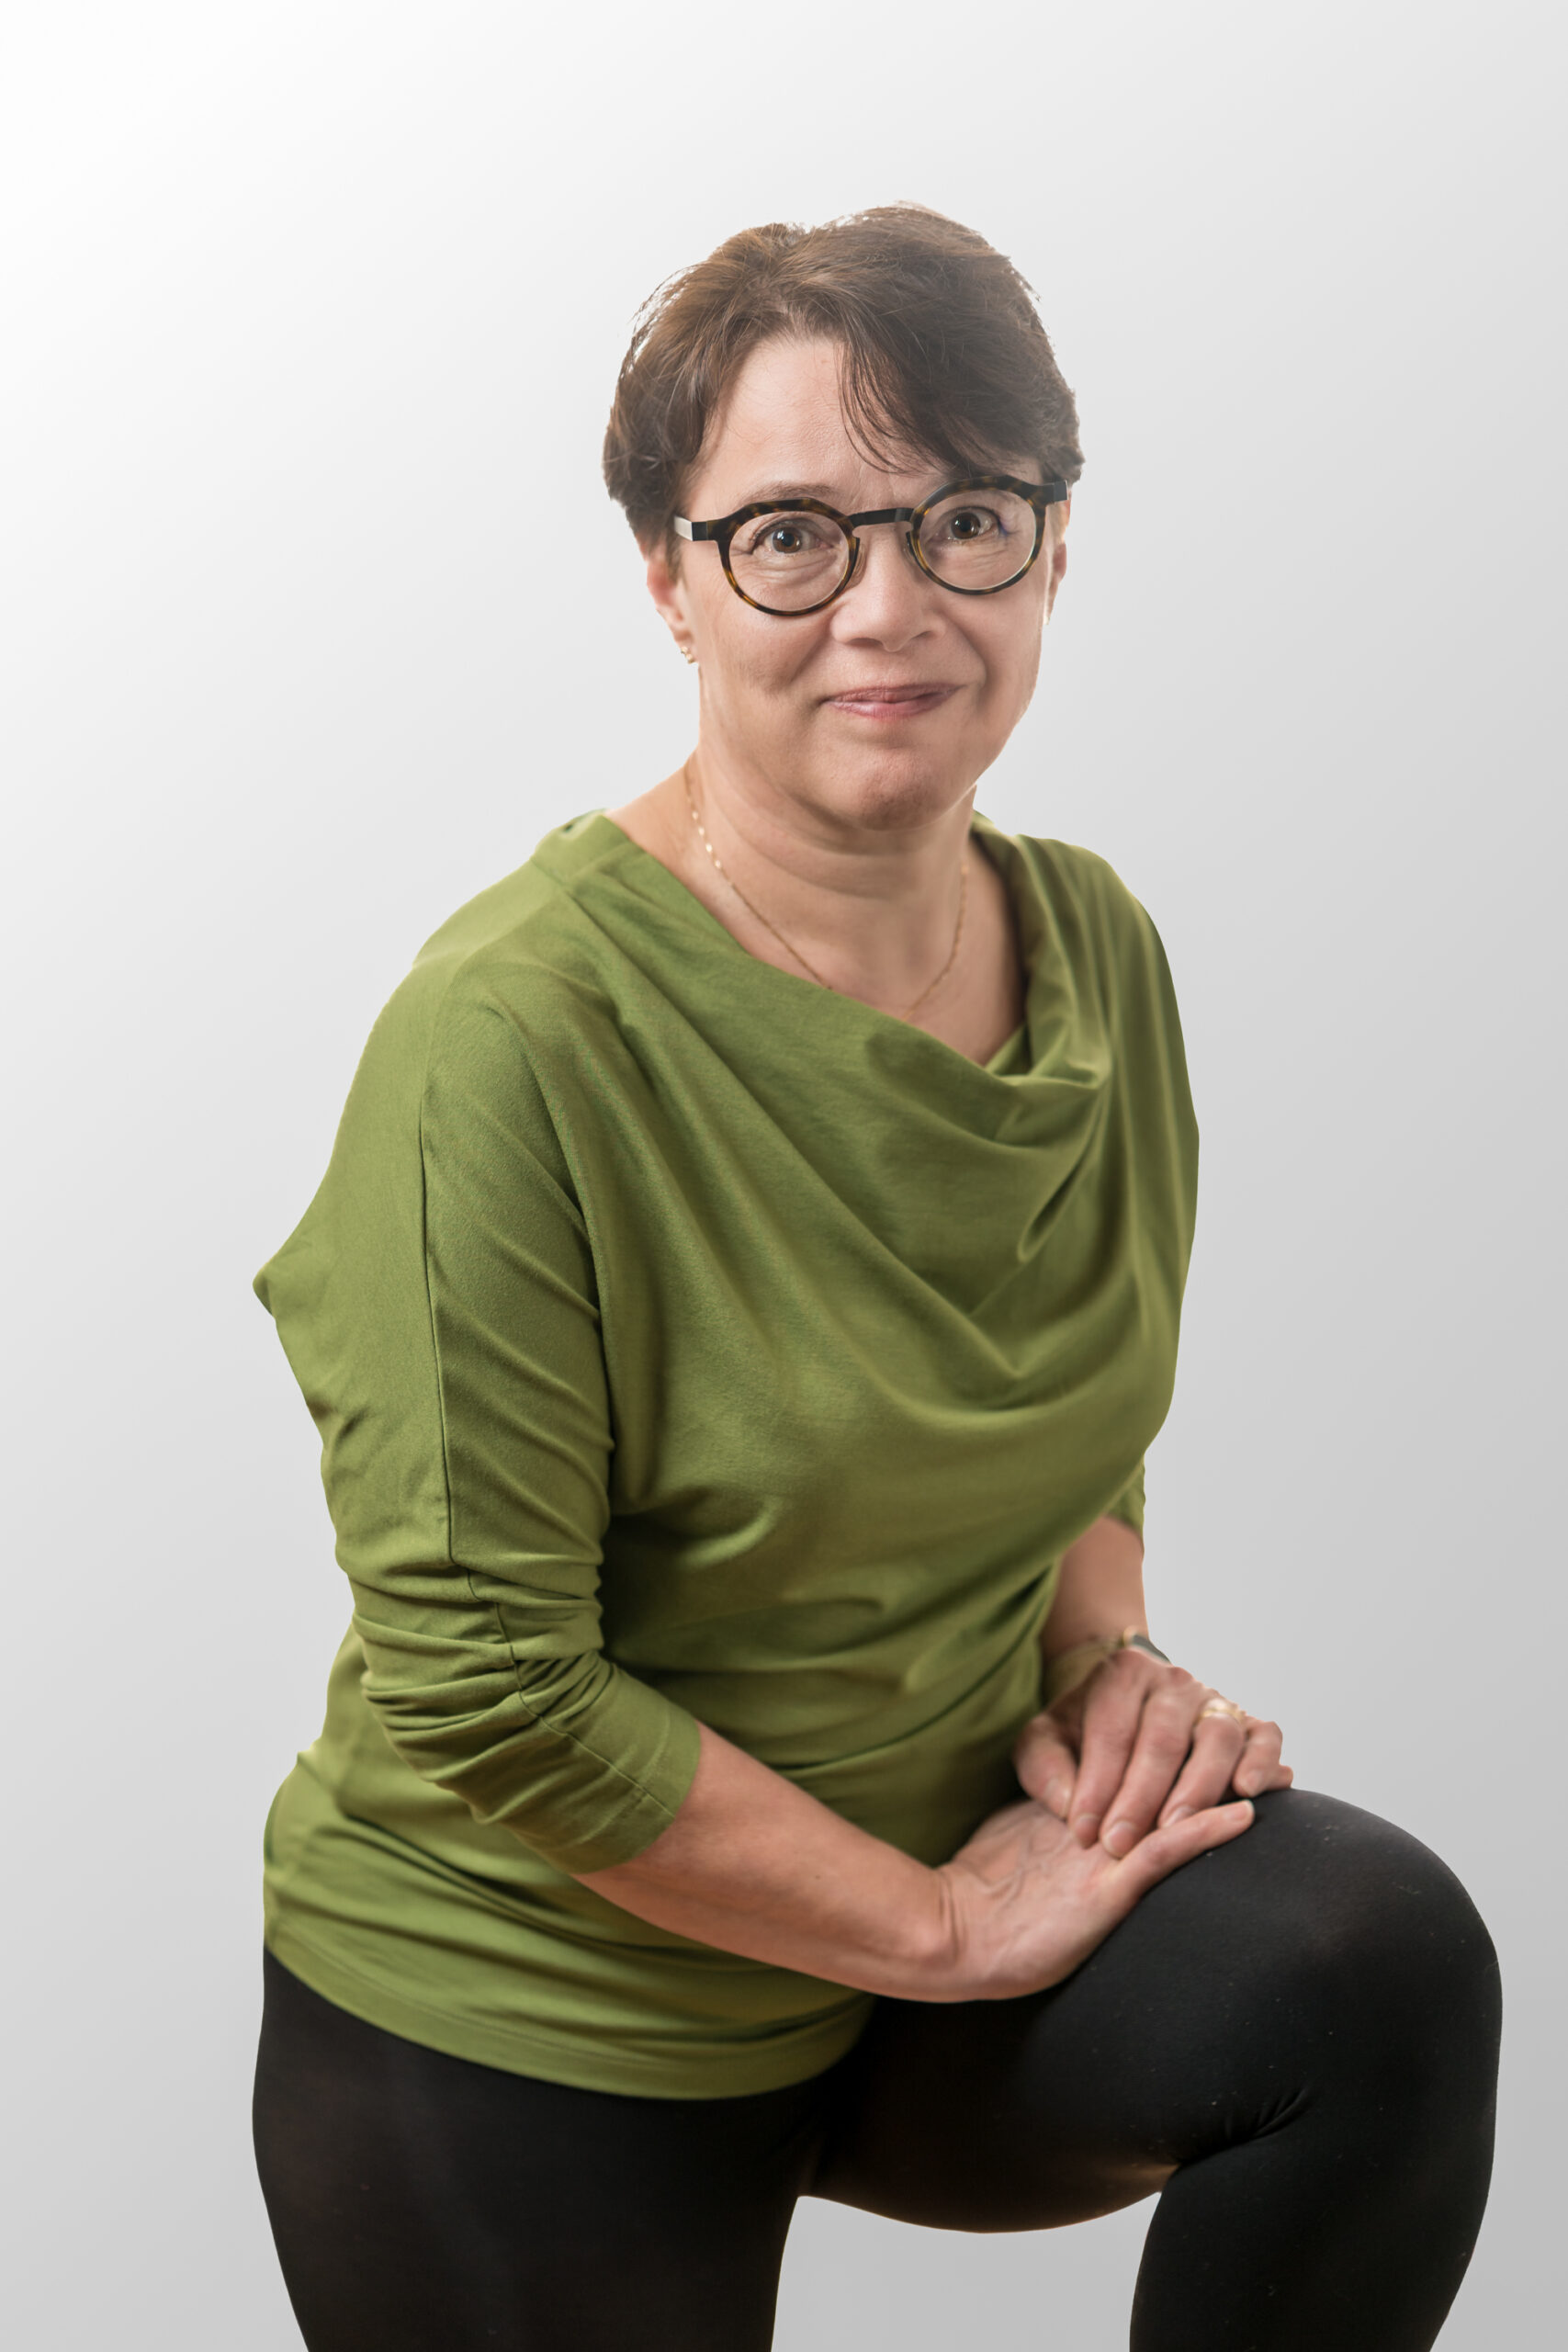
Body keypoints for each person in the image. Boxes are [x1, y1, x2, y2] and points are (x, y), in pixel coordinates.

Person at [250, 206, 1500, 2352]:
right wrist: (933, 1920)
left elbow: (1070, 1448)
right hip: (547, 2001)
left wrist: (1110, 1671)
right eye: (793, 538)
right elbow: (486, 1687)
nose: (890, 608)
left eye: (962, 521)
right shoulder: (512, 1037)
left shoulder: (1091, 947)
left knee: (1372, 1964)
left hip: (950, 1934)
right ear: (666, 573)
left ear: (1052, 545)